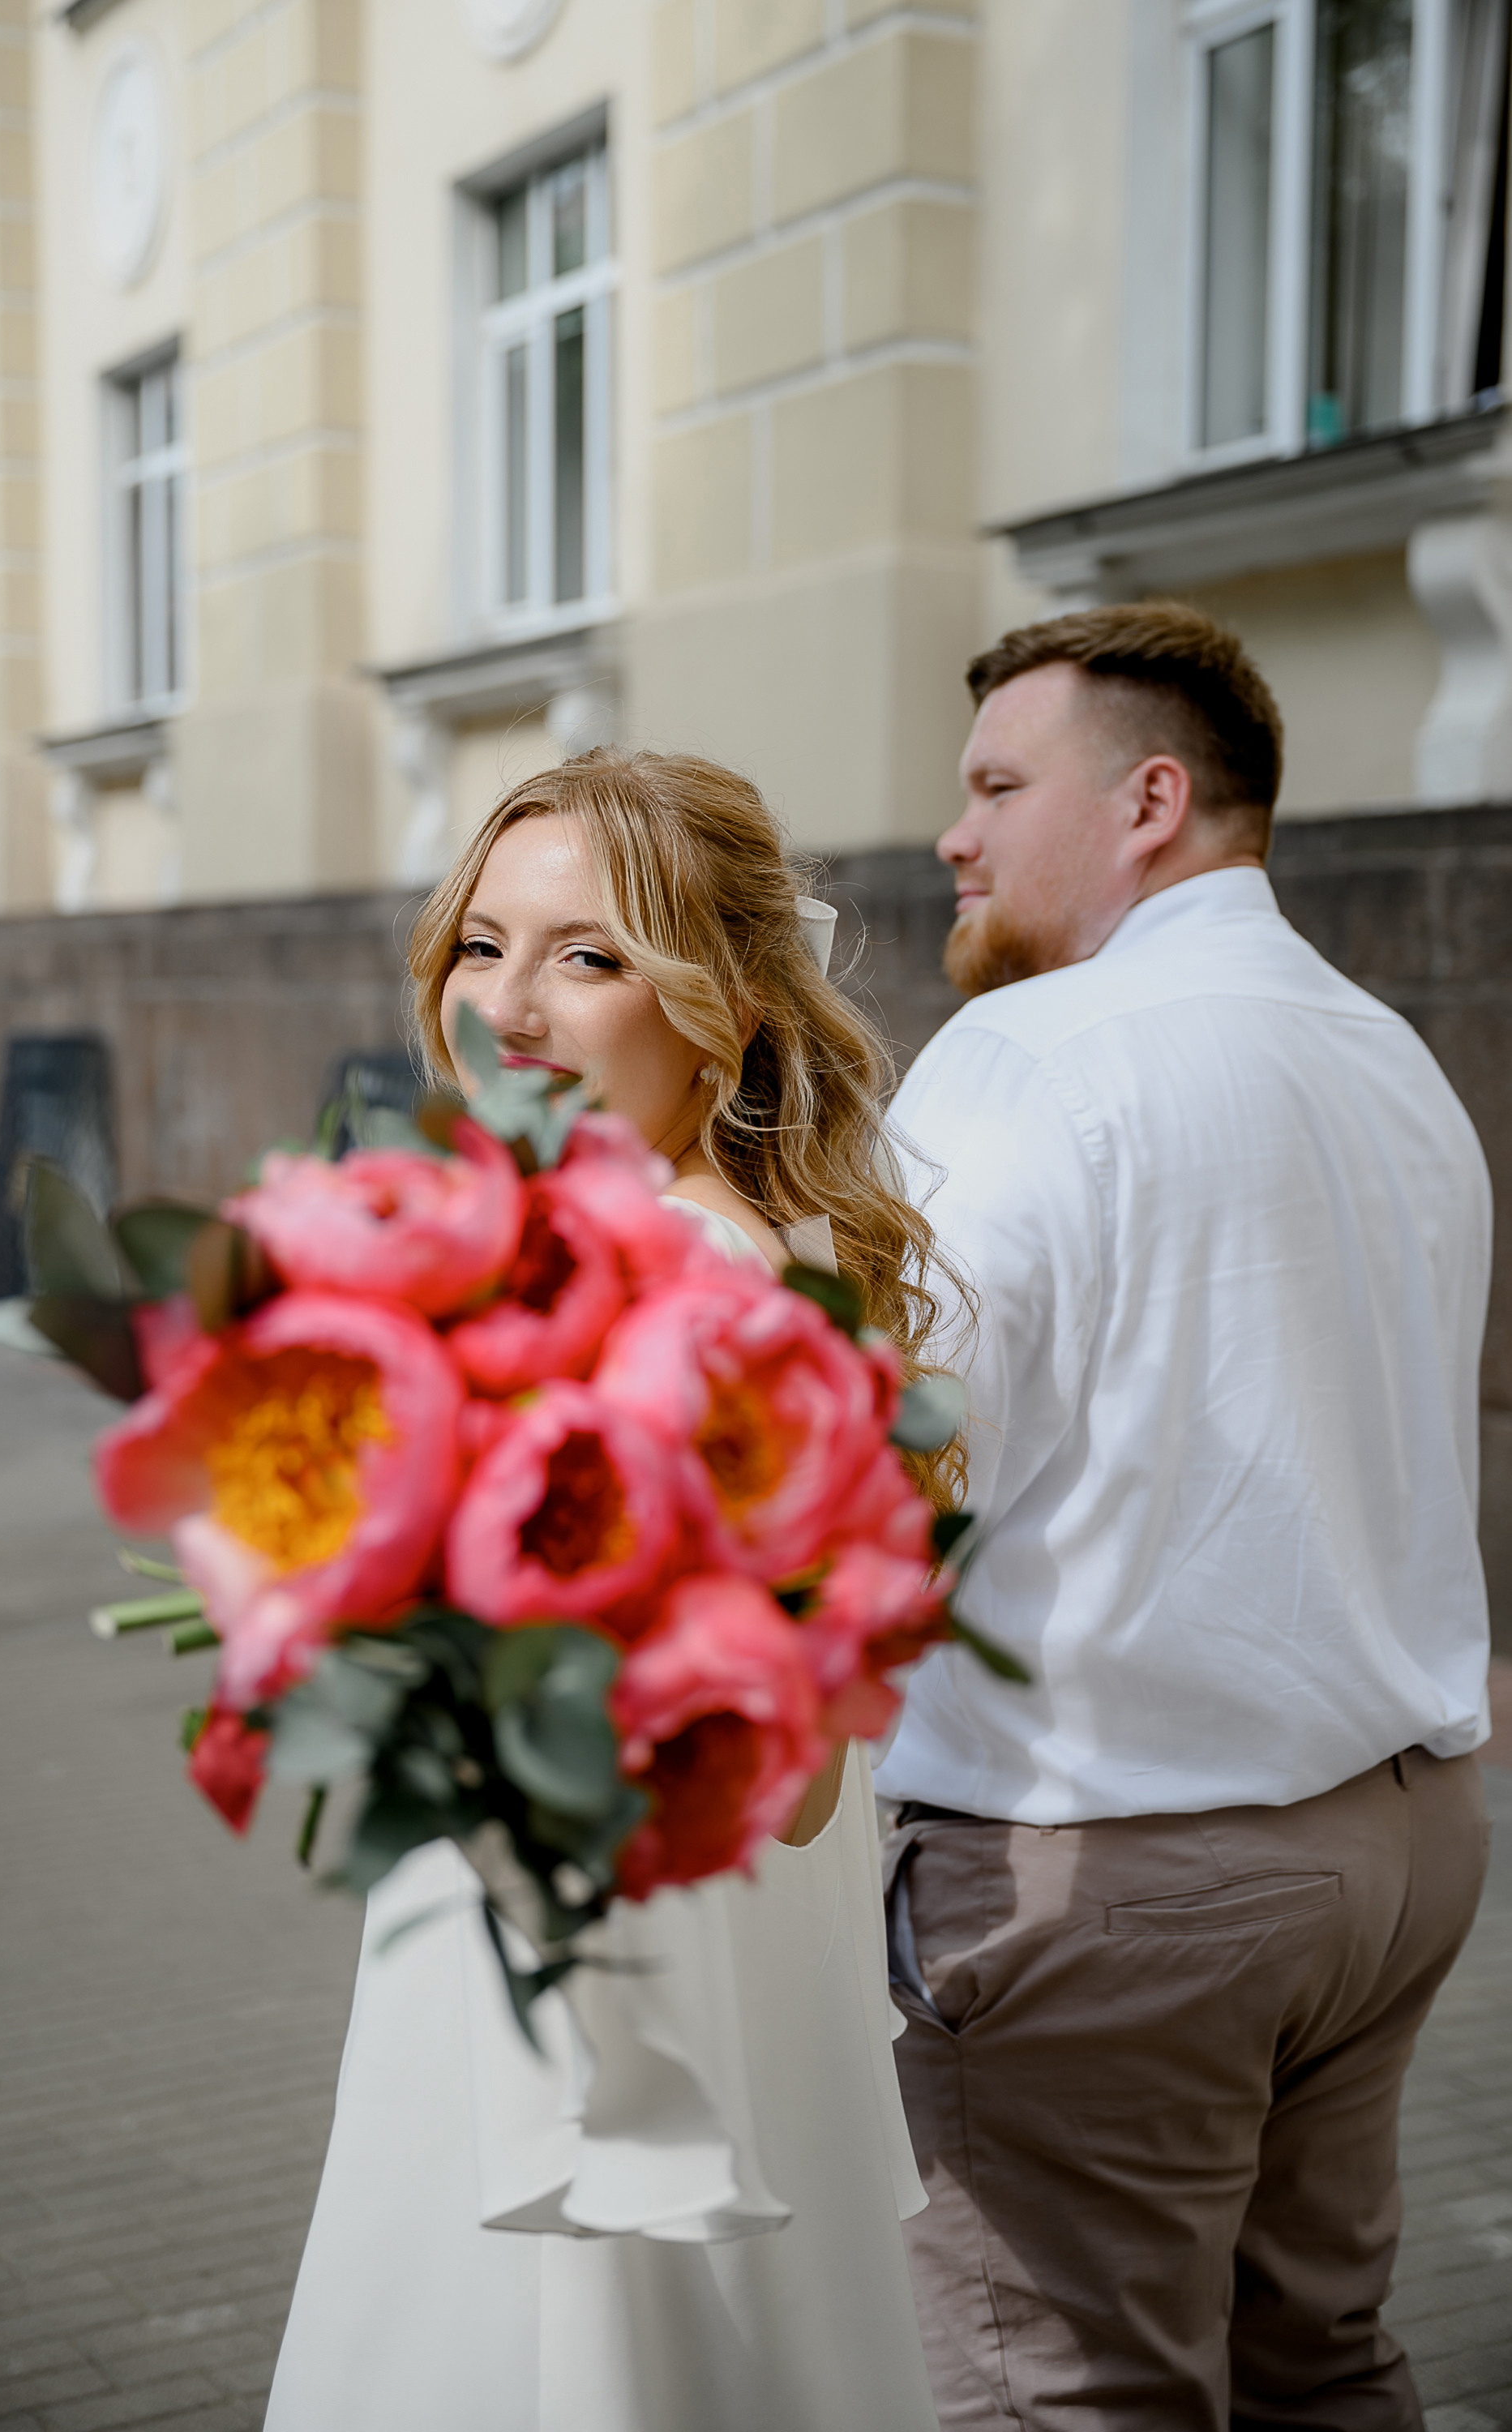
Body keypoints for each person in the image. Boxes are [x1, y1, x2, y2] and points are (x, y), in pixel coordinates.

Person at [266, 750, 950, 2432]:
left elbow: (788, 1781)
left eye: (589, 956)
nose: (508, 1007)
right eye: (481, 943)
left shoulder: (681, 1283)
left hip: (604, 1998)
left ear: (722, 1008)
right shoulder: (712, 1245)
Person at [875, 602, 1494, 2432]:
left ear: (1150, 801)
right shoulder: (1391, 1055)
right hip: (1397, 1851)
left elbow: (900, 1466)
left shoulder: (1024, 1052)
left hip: (1116, 1875)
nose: (953, 836)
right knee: (1322, 2365)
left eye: (997, 787)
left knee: (1078, 2395)